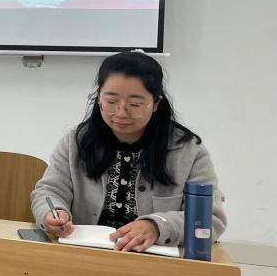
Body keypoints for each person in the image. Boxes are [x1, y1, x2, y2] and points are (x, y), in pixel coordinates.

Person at [31, 50, 226, 250]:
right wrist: (52, 213)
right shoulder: (76, 141)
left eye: (135, 104)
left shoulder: (188, 152)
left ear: (156, 103)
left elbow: (211, 219)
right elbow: (49, 191)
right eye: (111, 102)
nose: (121, 112)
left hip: (151, 260)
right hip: (84, 254)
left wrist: (158, 226)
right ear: (98, 98)